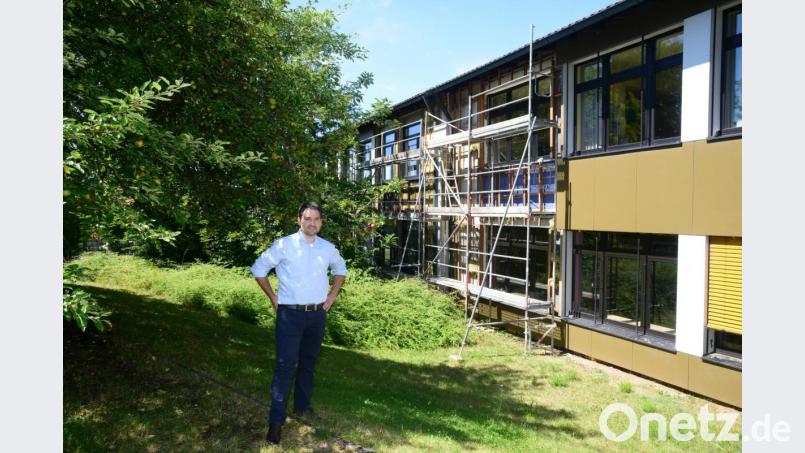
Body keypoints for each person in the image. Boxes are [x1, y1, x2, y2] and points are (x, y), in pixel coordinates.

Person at [250, 202, 347, 444]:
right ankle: (276, 423)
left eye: (316, 219)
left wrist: (332, 296)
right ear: (298, 220)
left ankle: (303, 408)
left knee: (308, 364)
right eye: (307, 218)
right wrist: (273, 298)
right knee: (285, 366)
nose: (311, 223)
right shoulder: (283, 245)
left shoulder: (328, 248)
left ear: (321, 222)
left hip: (317, 315)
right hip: (289, 315)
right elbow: (258, 269)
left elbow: (340, 270)